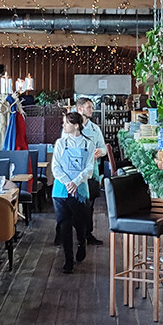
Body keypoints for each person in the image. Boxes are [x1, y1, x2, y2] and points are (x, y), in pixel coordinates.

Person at [51, 111, 92, 274]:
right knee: (64, 225)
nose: (63, 126)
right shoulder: (60, 143)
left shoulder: (88, 144)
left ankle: (82, 243)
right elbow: (55, 167)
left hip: (80, 191)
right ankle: (68, 260)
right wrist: (68, 182)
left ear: (76, 125)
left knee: (80, 223)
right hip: (61, 190)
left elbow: (89, 168)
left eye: (66, 123)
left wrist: (76, 182)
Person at [75, 97, 108, 247]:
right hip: (75, 172)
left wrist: (100, 151)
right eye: (89, 107)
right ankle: (71, 234)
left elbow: (104, 148)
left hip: (92, 172)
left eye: (92, 107)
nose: (92, 110)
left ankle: (88, 234)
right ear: (80, 109)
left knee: (89, 205)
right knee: (75, 205)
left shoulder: (95, 129)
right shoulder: (71, 126)